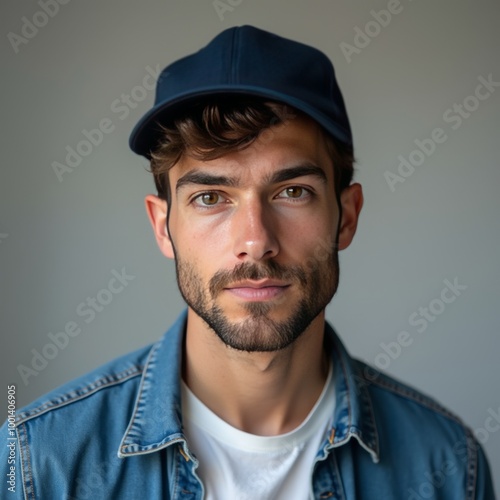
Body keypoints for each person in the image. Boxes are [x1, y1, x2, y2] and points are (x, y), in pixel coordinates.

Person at [1, 25, 495, 500]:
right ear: (162, 226)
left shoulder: (447, 465)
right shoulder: (38, 462)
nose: (256, 242)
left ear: (346, 217)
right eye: (211, 197)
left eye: (293, 192)